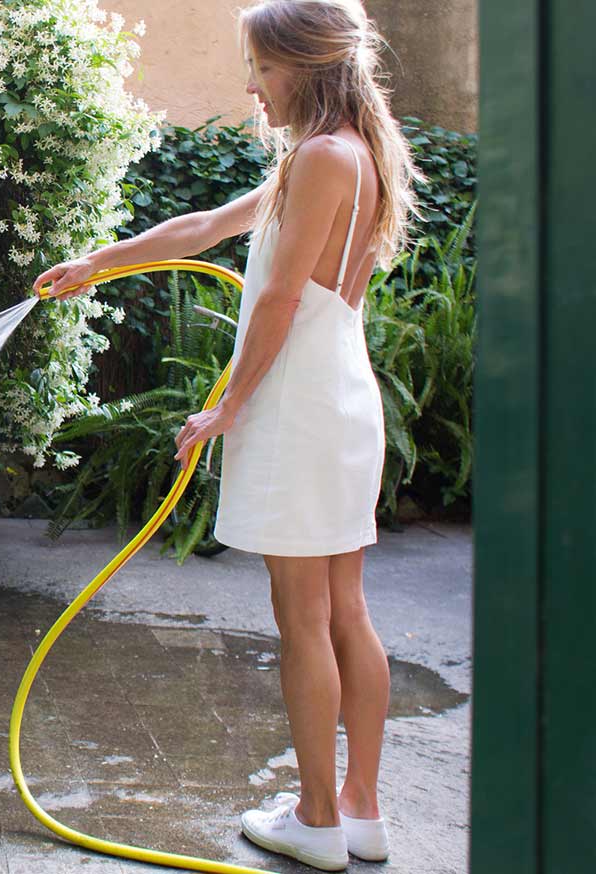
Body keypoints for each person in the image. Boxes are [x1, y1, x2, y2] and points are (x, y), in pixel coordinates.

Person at [32, 1, 424, 870]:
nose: (251, 87)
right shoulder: (340, 156)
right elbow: (204, 229)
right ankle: (359, 810)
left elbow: (282, 299)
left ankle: (316, 819)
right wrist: (99, 260)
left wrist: (227, 407)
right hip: (337, 402)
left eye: (263, 68)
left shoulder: (322, 157)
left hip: (300, 408)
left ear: (307, 64)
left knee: (305, 621)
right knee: (345, 611)